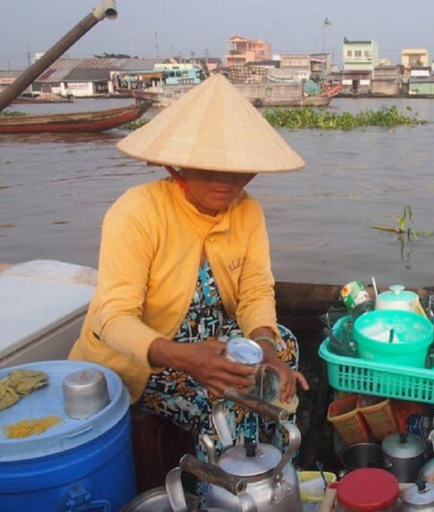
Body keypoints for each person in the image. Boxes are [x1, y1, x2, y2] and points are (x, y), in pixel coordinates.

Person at [68, 74, 309, 466]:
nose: (225, 181)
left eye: (236, 170)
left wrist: (266, 349)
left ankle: (275, 471)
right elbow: (113, 317)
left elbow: (255, 292)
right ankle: (221, 493)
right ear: (176, 166)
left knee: (285, 346)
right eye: (208, 167)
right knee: (229, 403)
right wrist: (183, 357)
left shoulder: (248, 211)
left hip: (210, 340)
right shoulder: (137, 211)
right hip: (144, 355)